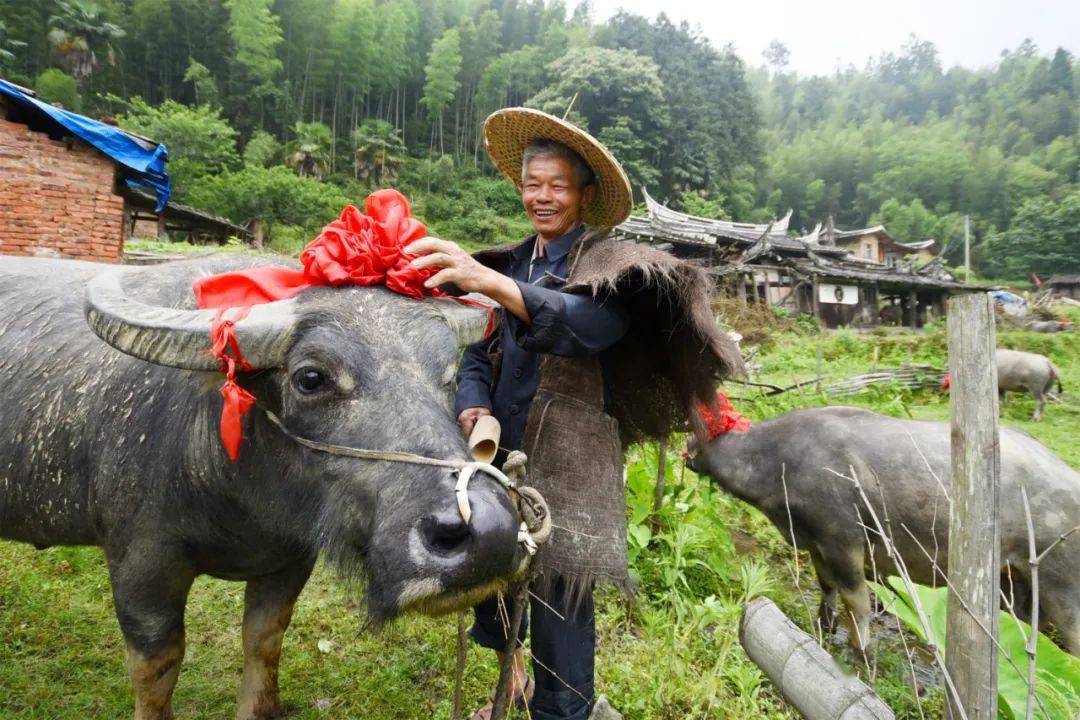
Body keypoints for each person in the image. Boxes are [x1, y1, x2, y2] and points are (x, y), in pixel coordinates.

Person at [406, 108, 743, 720]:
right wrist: (473, 402)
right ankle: (508, 680)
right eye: (533, 183)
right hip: (498, 452)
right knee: (493, 570)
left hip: (572, 458)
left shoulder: (612, 265)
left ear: (585, 195)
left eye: (558, 185)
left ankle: (562, 710)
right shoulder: (512, 263)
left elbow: (587, 326)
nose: (543, 196)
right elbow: (480, 351)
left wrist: (488, 282)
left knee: (561, 599)